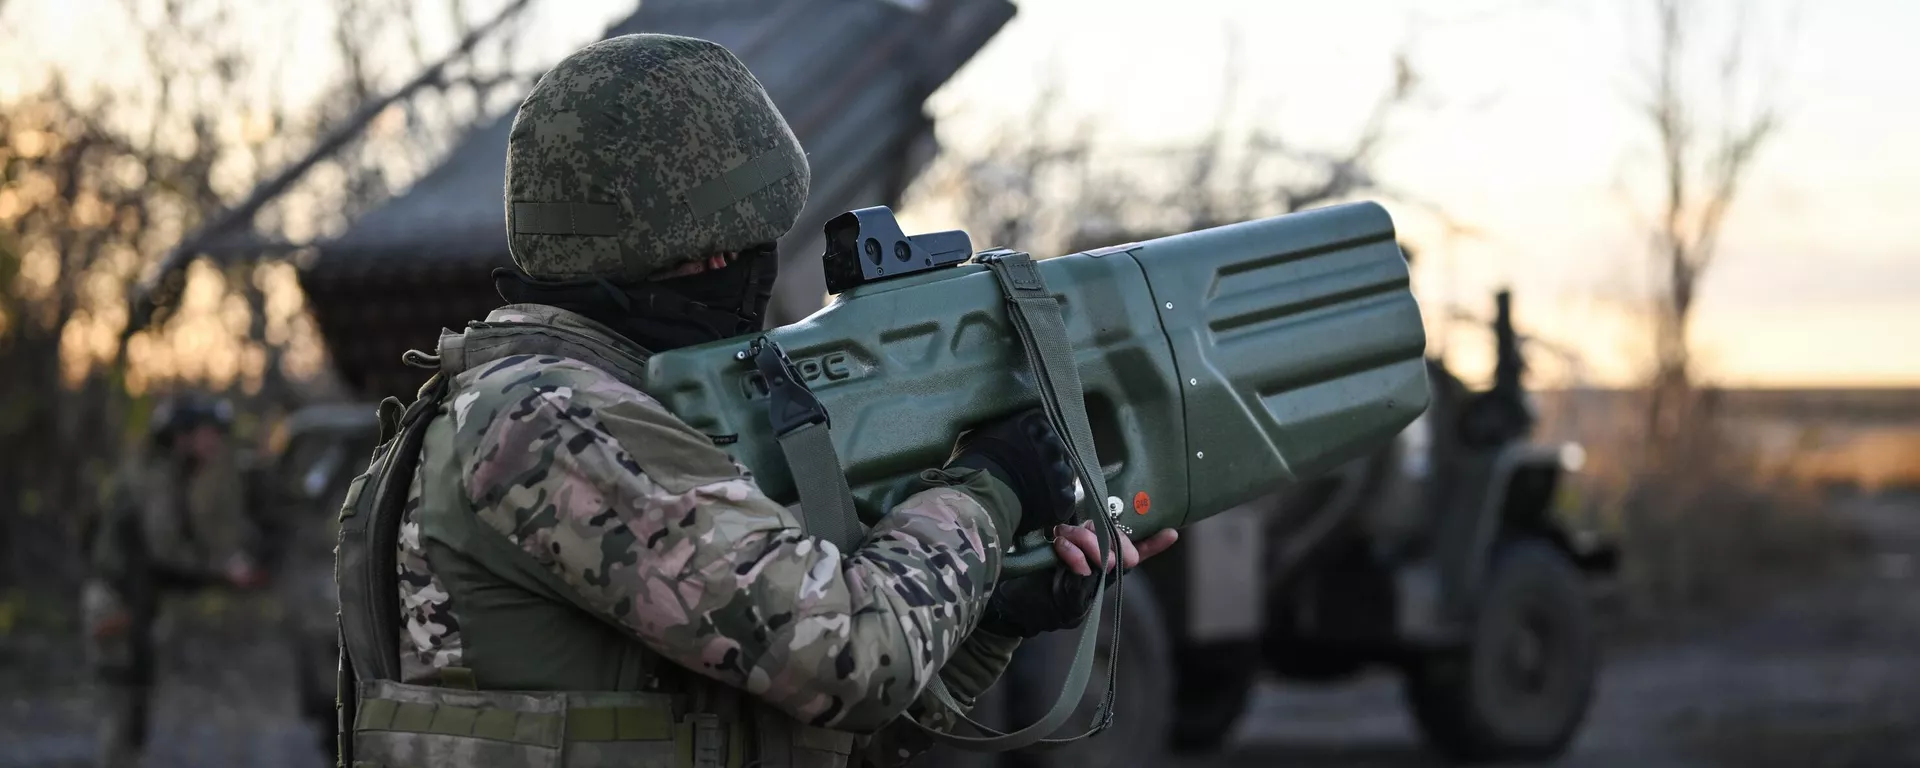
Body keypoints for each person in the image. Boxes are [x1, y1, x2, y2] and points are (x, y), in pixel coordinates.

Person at [331, 33, 1177, 768]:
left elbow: (834, 728)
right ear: (696, 251)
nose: (751, 264)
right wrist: (987, 491)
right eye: (743, 240)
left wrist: (996, 613)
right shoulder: (551, 422)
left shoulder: (543, 402)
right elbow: (849, 660)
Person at [81, 394, 267, 768]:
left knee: (134, 711)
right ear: (181, 437)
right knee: (121, 713)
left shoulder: (165, 475)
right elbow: (163, 552)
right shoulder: (155, 478)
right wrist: (222, 573)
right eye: (206, 433)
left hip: (134, 601)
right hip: (119, 602)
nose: (214, 442)